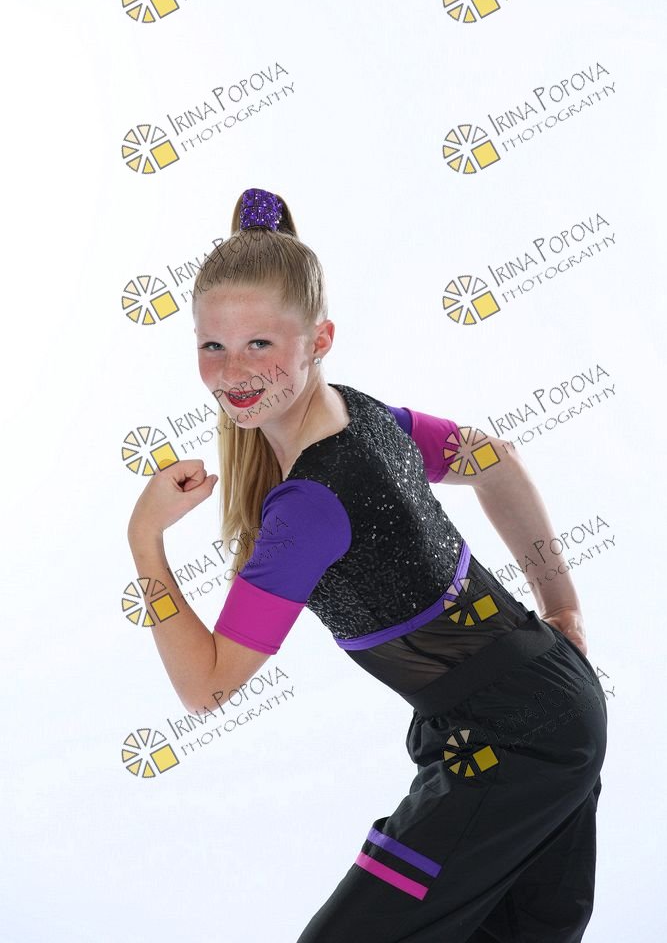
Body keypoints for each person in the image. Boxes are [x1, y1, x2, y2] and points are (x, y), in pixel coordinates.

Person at [127, 188, 608, 942]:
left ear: (319, 339)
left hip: (513, 744)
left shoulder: (309, 505)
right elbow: (495, 458)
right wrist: (560, 604)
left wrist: (145, 540)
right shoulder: (364, 415)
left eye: (261, 343)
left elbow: (206, 685)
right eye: (212, 345)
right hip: (538, 706)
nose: (232, 371)